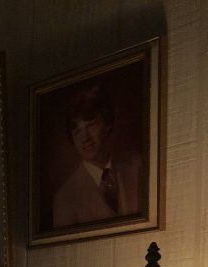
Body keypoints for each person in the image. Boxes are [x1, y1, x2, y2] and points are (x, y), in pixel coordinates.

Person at [51, 83, 142, 228]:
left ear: (107, 124)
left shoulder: (136, 165)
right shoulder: (65, 198)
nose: (85, 139)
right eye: (77, 132)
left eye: (91, 125)